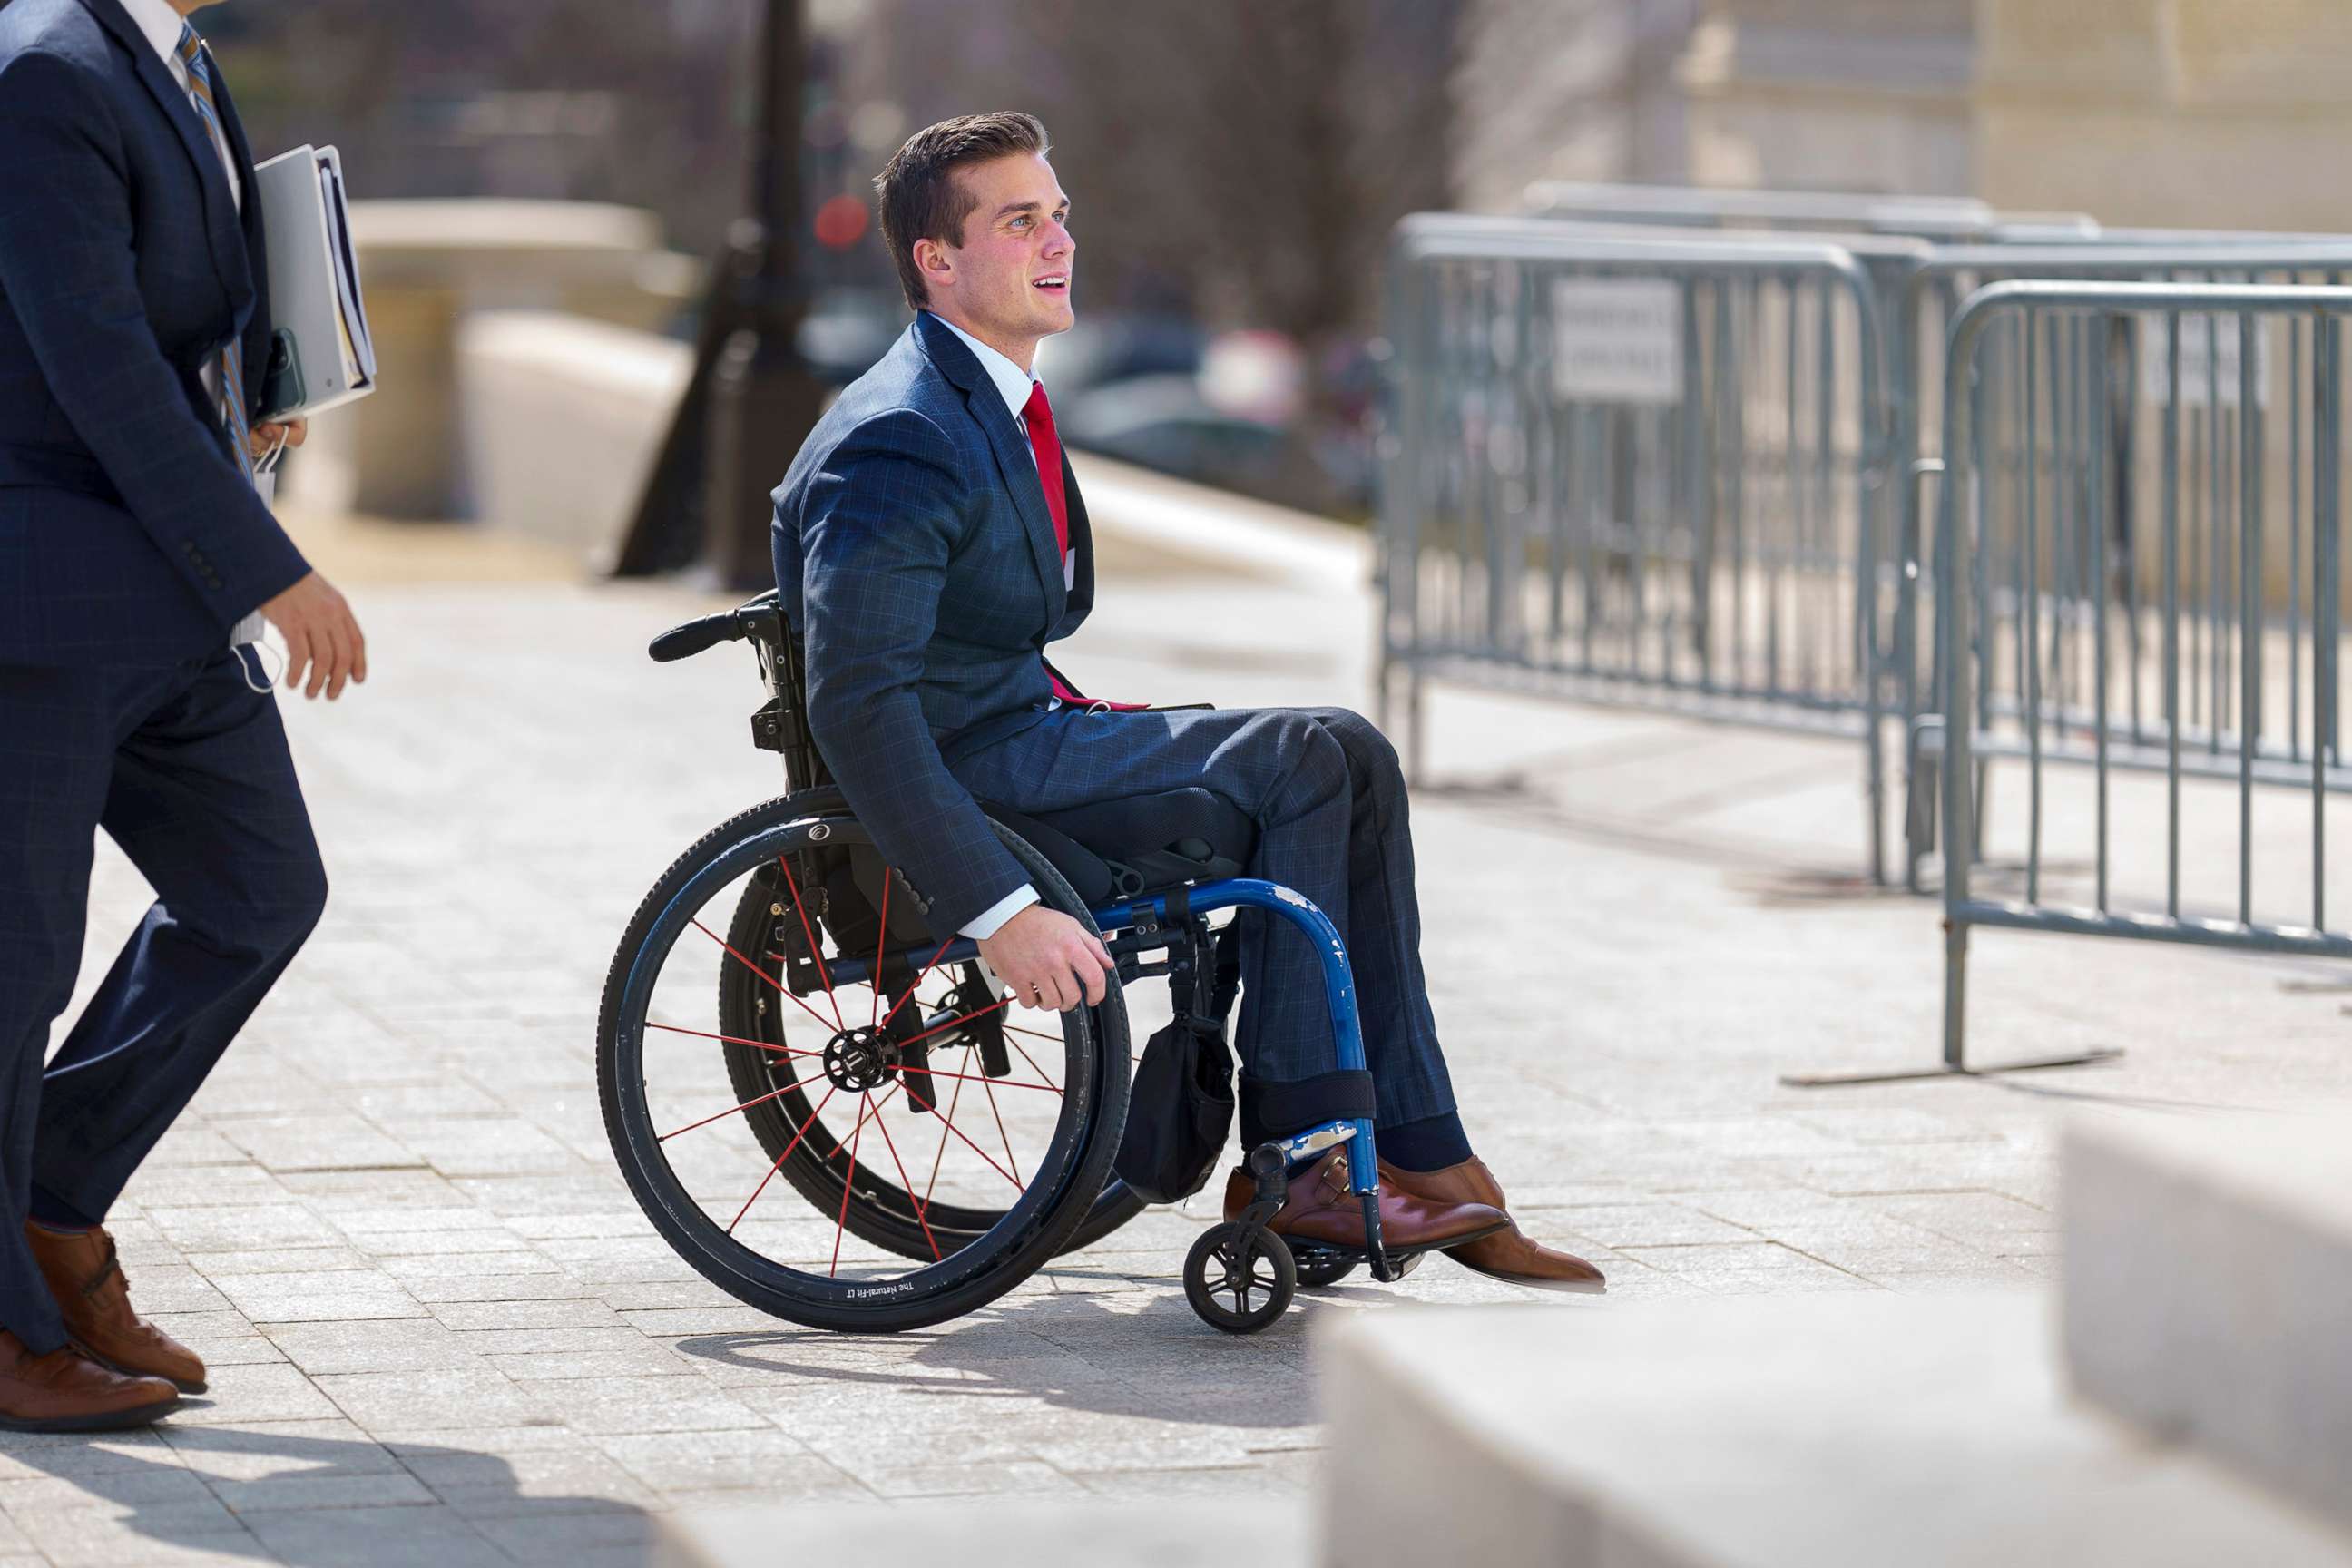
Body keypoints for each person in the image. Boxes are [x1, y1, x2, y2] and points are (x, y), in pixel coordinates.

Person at [772, 113, 1600, 1292]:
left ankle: (1421, 1156)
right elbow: (861, 710)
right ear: (937, 262)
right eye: (1019, 221)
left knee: (1348, 748)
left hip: (1027, 729)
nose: (1059, 241)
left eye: (1057, 215)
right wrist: (1002, 911)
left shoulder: (981, 400)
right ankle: (1305, 1162)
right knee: (1304, 761)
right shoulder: (901, 439)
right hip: (975, 776)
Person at [0, 0, 368, 1430]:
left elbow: (169, 329)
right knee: (14, 978)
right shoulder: (42, 71)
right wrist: (273, 568)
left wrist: (262, 395)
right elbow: (90, 364)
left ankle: (48, 1205)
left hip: (160, 609)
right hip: (38, 608)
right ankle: (16, 1335)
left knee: (259, 891)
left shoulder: (180, 64)